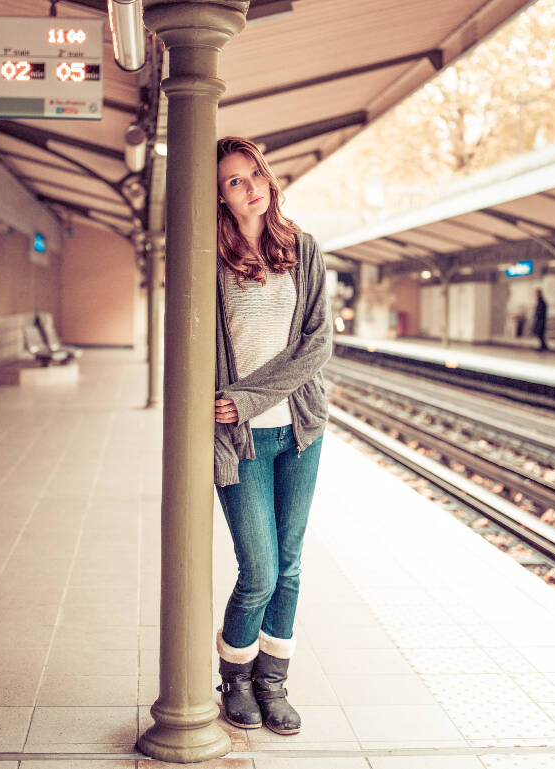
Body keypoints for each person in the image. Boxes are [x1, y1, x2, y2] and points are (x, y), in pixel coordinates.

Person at [213, 136, 332, 735]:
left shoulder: (304, 250)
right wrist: (233, 407)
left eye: (253, 172)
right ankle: (233, 676)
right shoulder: (211, 257)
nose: (250, 185)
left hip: (299, 432)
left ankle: (272, 680)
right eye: (233, 180)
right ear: (219, 195)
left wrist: (246, 398)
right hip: (241, 442)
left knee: (290, 567)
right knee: (258, 569)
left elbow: (317, 346)